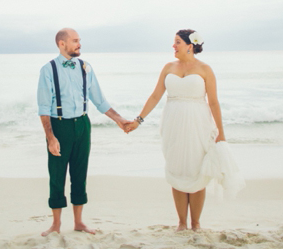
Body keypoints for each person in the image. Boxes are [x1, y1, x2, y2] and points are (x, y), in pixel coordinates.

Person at [125, 29, 243, 231]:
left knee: (197, 171)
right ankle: (181, 222)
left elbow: (213, 102)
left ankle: (195, 223)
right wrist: (138, 120)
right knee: (177, 169)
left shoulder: (205, 69)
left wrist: (221, 132)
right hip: (173, 124)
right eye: (174, 42)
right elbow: (155, 96)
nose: (173, 46)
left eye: (177, 42)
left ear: (190, 45)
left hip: (198, 124)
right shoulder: (168, 67)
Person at [37, 28, 132, 236]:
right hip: (59, 125)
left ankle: (79, 222)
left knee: (80, 174)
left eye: (79, 40)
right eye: (75, 41)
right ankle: (56, 224)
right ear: (62, 44)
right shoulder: (48, 70)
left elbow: (99, 100)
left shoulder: (85, 67)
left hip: (82, 125)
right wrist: (51, 138)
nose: (79, 44)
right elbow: (44, 109)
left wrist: (119, 120)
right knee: (57, 175)